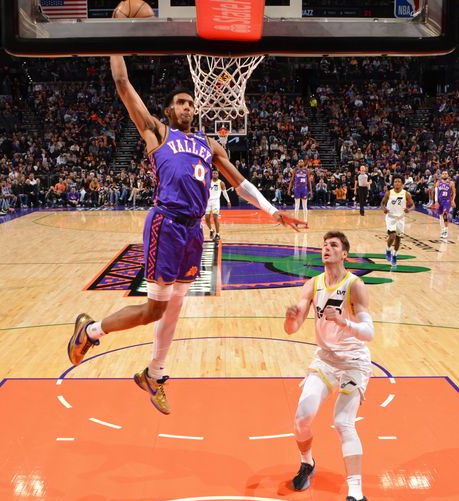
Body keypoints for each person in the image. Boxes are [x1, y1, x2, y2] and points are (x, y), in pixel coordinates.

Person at [67, 53, 300, 415]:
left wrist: (272, 210)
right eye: (181, 102)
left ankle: (155, 375)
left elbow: (240, 183)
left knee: (173, 308)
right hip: (166, 222)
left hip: (193, 231)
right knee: (154, 309)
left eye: (191, 103)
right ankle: (91, 331)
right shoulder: (157, 131)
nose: (188, 107)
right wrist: (114, 44)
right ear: (169, 109)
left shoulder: (209, 145)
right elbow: (123, 85)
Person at [283, 230, 375, 501]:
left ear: (344, 254)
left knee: (343, 422)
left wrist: (343, 321)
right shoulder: (313, 284)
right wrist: (290, 317)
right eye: (324, 245)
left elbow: (369, 332)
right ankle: (307, 462)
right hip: (324, 360)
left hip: (353, 363)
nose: (326, 248)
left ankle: (357, 497)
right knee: (302, 417)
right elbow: (292, 329)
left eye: (333, 245)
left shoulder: (354, 285)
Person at [381, 176, 414, 266]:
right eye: (395, 181)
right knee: (392, 236)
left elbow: (412, 205)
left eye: (399, 181)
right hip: (391, 217)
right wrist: (384, 208)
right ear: (393, 183)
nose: (397, 183)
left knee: (398, 238)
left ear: (402, 183)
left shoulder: (406, 194)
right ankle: (388, 249)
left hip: (400, 218)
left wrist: (409, 209)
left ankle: (394, 255)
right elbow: (382, 203)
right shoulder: (389, 193)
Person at [204, 169, 231, 241]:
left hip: (215, 202)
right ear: (211, 174)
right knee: (206, 218)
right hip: (208, 201)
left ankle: (218, 234)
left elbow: (224, 193)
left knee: (215, 218)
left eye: (216, 173)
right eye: (213, 173)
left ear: (218, 175)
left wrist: (228, 201)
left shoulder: (221, 183)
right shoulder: (208, 181)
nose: (214, 174)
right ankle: (211, 230)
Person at [434, 169, 455, 239]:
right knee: (440, 216)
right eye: (443, 174)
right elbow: (436, 192)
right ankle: (442, 230)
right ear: (441, 175)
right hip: (439, 201)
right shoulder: (438, 182)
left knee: (445, 214)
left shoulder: (451, 183)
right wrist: (436, 201)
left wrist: (453, 200)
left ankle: (446, 230)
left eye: (446, 173)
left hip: (446, 201)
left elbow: (454, 192)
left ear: (448, 175)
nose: (444, 175)